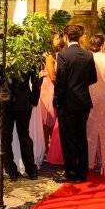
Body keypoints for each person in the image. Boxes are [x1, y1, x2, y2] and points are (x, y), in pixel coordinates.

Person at [53, 24, 98, 183]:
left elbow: (60, 82)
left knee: (68, 138)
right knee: (81, 136)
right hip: (83, 101)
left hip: (67, 102)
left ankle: (71, 172)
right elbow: (93, 78)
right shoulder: (88, 54)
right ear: (79, 37)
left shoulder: (63, 55)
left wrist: (56, 100)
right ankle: (82, 172)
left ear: (66, 37)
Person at [3, 63, 42, 180]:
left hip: (7, 101)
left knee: (6, 137)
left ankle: (12, 170)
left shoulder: (4, 55)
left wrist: (33, 100)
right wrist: (33, 100)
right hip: (23, 101)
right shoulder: (27, 55)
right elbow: (36, 82)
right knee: (23, 135)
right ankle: (31, 170)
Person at [86, 34, 105, 176]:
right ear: (103, 44)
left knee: (90, 127)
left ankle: (90, 162)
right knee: (104, 127)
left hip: (90, 92)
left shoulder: (87, 57)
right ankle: (104, 163)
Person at [42, 33, 64, 165]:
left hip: (55, 88)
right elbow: (52, 76)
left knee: (55, 121)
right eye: (56, 37)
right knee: (48, 120)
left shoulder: (60, 55)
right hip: (49, 88)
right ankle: (45, 149)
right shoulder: (50, 56)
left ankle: (53, 150)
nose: (59, 39)